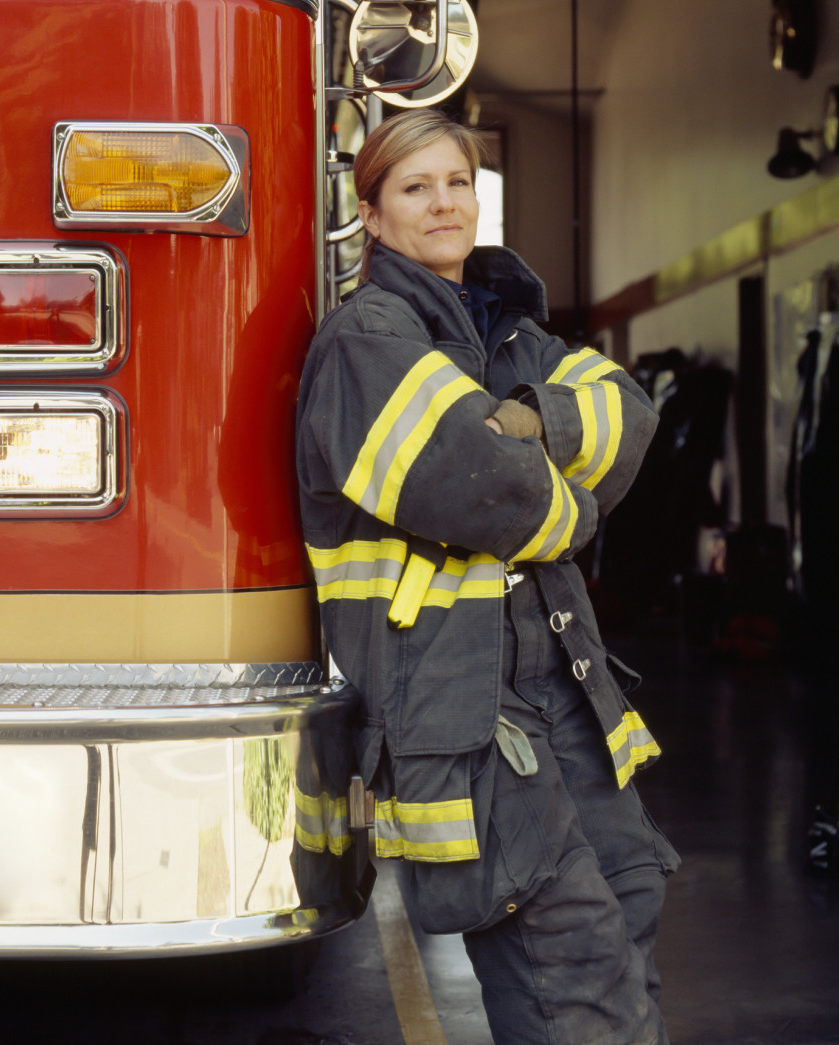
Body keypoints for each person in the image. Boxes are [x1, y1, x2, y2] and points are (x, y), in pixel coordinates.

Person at [295, 109, 680, 1045]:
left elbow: (626, 414)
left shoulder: (507, 333)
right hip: (459, 702)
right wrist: (577, 512)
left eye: (457, 183)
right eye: (415, 188)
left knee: (630, 902)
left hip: (562, 679)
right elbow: (476, 485)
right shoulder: (367, 340)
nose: (443, 203)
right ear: (373, 216)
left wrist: (525, 421)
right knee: (571, 961)